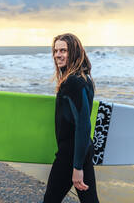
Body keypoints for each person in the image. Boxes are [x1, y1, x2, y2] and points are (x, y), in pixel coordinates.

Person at [43, 33, 99, 203]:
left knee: (51, 200)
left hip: (71, 153)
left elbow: (83, 125)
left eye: (63, 51)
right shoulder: (84, 78)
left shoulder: (72, 82)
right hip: (83, 148)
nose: (57, 55)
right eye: (55, 51)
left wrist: (77, 167)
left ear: (74, 52)